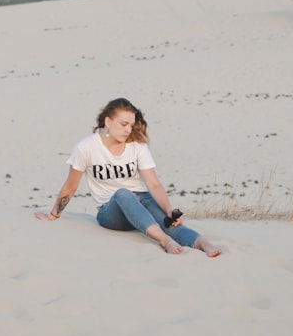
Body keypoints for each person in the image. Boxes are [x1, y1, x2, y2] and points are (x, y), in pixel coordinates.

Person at [35, 97, 221, 257]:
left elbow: (154, 184)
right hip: (112, 212)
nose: (128, 130)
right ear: (108, 122)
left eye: (131, 125)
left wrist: (169, 211)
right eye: (124, 124)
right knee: (123, 194)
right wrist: (53, 215)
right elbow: (70, 186)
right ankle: (164, 240)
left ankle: (202, 244)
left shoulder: (137, 145)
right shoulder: (86, 148)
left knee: (169, 224)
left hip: (142, 202)